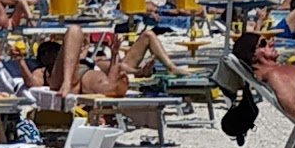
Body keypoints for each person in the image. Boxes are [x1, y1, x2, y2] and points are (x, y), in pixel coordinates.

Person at [21, 24, 191, 96]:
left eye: (53, 49)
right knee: (74, 30)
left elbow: (116, 67)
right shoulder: (42, 71)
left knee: (103, 80)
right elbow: (33, 84)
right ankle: (68, 83)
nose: (50, 53)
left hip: (88, 76)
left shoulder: (86, 59)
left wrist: (116, 54)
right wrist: (20, 61)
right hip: (64, 82)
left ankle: (114, 87)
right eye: (45, 52)